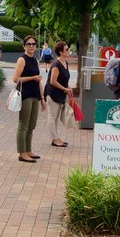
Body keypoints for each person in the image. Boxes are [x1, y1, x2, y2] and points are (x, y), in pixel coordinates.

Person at [13, 35, 46, 163]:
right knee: (23, 125)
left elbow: (39, 81)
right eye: (28, 44)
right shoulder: (22, 60)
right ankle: (22, 153)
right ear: (24, 46)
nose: (31, 46)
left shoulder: (35, 61)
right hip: (25, 95)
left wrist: (42, 98)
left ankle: (28, 150)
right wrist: (32, 78)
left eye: (33, 44)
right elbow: (15, 79)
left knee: (32, 125)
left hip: (35, 96)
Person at [43, 41, 74, 148]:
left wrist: (68, 86)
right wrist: (64, 88)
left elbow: (63, 79)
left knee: (55, 117)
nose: (68, 50)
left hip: (60, 93)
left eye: (68, 48)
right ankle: (54, 139)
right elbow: (53, 81)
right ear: (60, 52)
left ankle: (56, 137)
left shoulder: (65, 63)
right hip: (53, 93)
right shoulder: (56, 64)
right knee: (52, 116)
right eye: (66, 49)